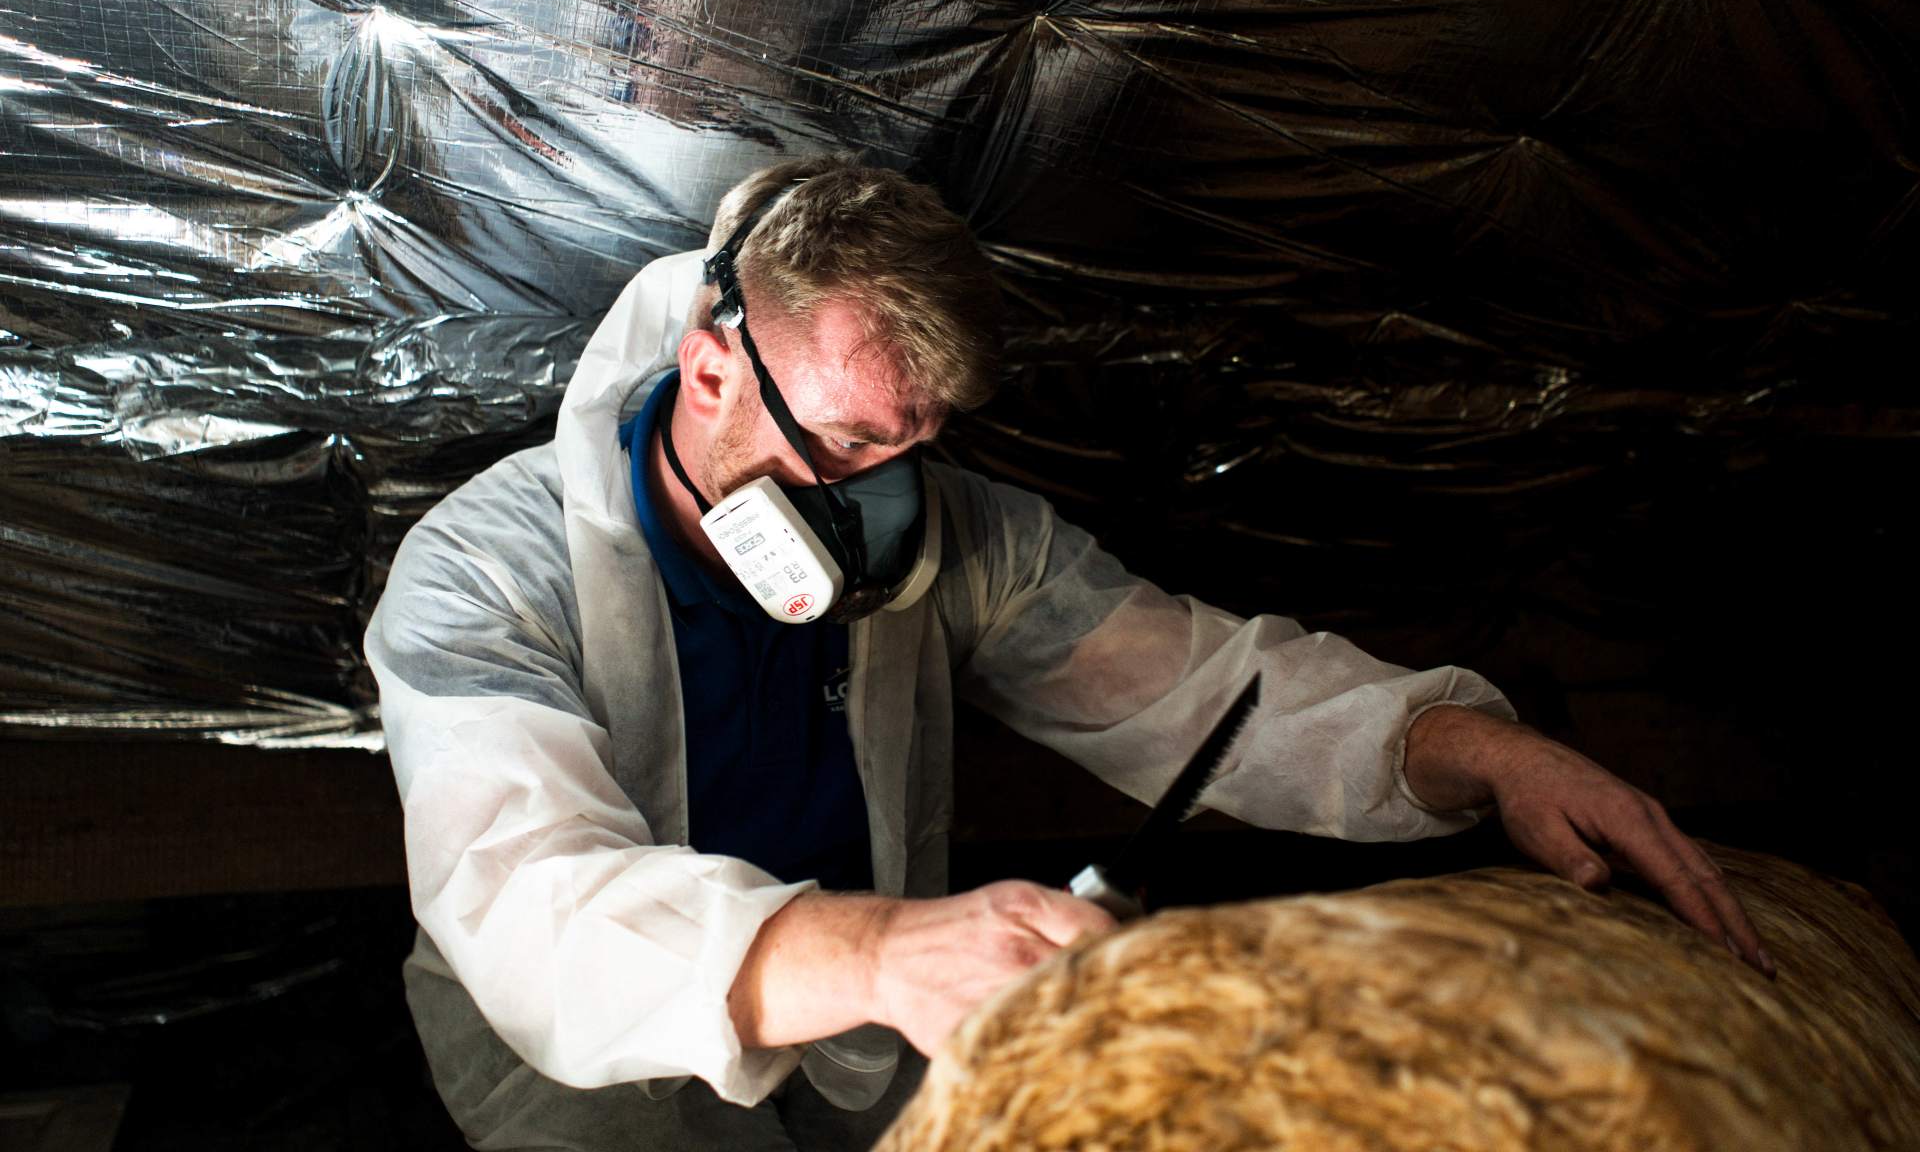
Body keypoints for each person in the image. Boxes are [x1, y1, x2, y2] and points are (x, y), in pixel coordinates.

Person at [366, 155, 1772, 1151]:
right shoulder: (482, 576)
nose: (881, 504)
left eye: (914, 451)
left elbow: (1197, 685)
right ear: (713, 369)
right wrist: (880, 952)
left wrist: (1473, 748)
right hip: (590, 1077)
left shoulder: (948, 537)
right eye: (848, 447)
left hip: (870, 1040)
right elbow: (528, 902)